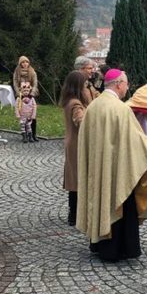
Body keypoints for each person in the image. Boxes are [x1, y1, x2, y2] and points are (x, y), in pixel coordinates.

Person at [76, 69, 147, 262]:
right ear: (119, 84)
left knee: (100, 199)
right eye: (126, 84)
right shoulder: (121, 109)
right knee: (120, 202)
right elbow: (137, 143)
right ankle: (119, 249)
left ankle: (98, 243)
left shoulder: (94, 106)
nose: (127, 88)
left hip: (99, 167)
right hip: (118, 170)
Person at [60, 71, 90, 226]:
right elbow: (82, 122)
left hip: (73, 143)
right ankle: (75, 214)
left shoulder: (71, 101)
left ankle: (75, 214)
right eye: (85, 85)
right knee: (77, 180)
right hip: (77, 145)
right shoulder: (75, 104)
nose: (87, 87)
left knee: (75, 179)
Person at [12, 56, 39, 141]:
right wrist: (19, 94)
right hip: (21, 95)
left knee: (32, 115)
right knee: (23, 115)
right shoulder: (17, 72)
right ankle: (25, 134)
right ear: (20, 63)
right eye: (23, 62)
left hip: (31, 95)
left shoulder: (32, 72)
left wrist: (32, 93)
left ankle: (33, 134)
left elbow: (35, 84)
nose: (25, 64)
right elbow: (15, 83)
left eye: (26, 62)